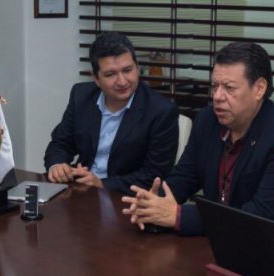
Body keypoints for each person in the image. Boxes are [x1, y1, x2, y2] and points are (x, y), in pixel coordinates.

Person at [122, 41, 274, 235]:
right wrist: (152, 204)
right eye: (215, 86)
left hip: (270, 244)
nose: (217, 96)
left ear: (259, 88)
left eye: (229, 88)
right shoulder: (207, 121)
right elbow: (183, 178)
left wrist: (178, 216)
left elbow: (261, 214)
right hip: (216, 239)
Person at [44, 31, 178, 192]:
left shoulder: (161, 111)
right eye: (110, 74)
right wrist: (57, 165)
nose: (122, 81)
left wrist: (102, 184)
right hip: (82, 190)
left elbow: (153, 175)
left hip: (126, 197)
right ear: (96, 78)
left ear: (137, 68)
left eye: (127, 70)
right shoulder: (81, 96)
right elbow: (60, 143)